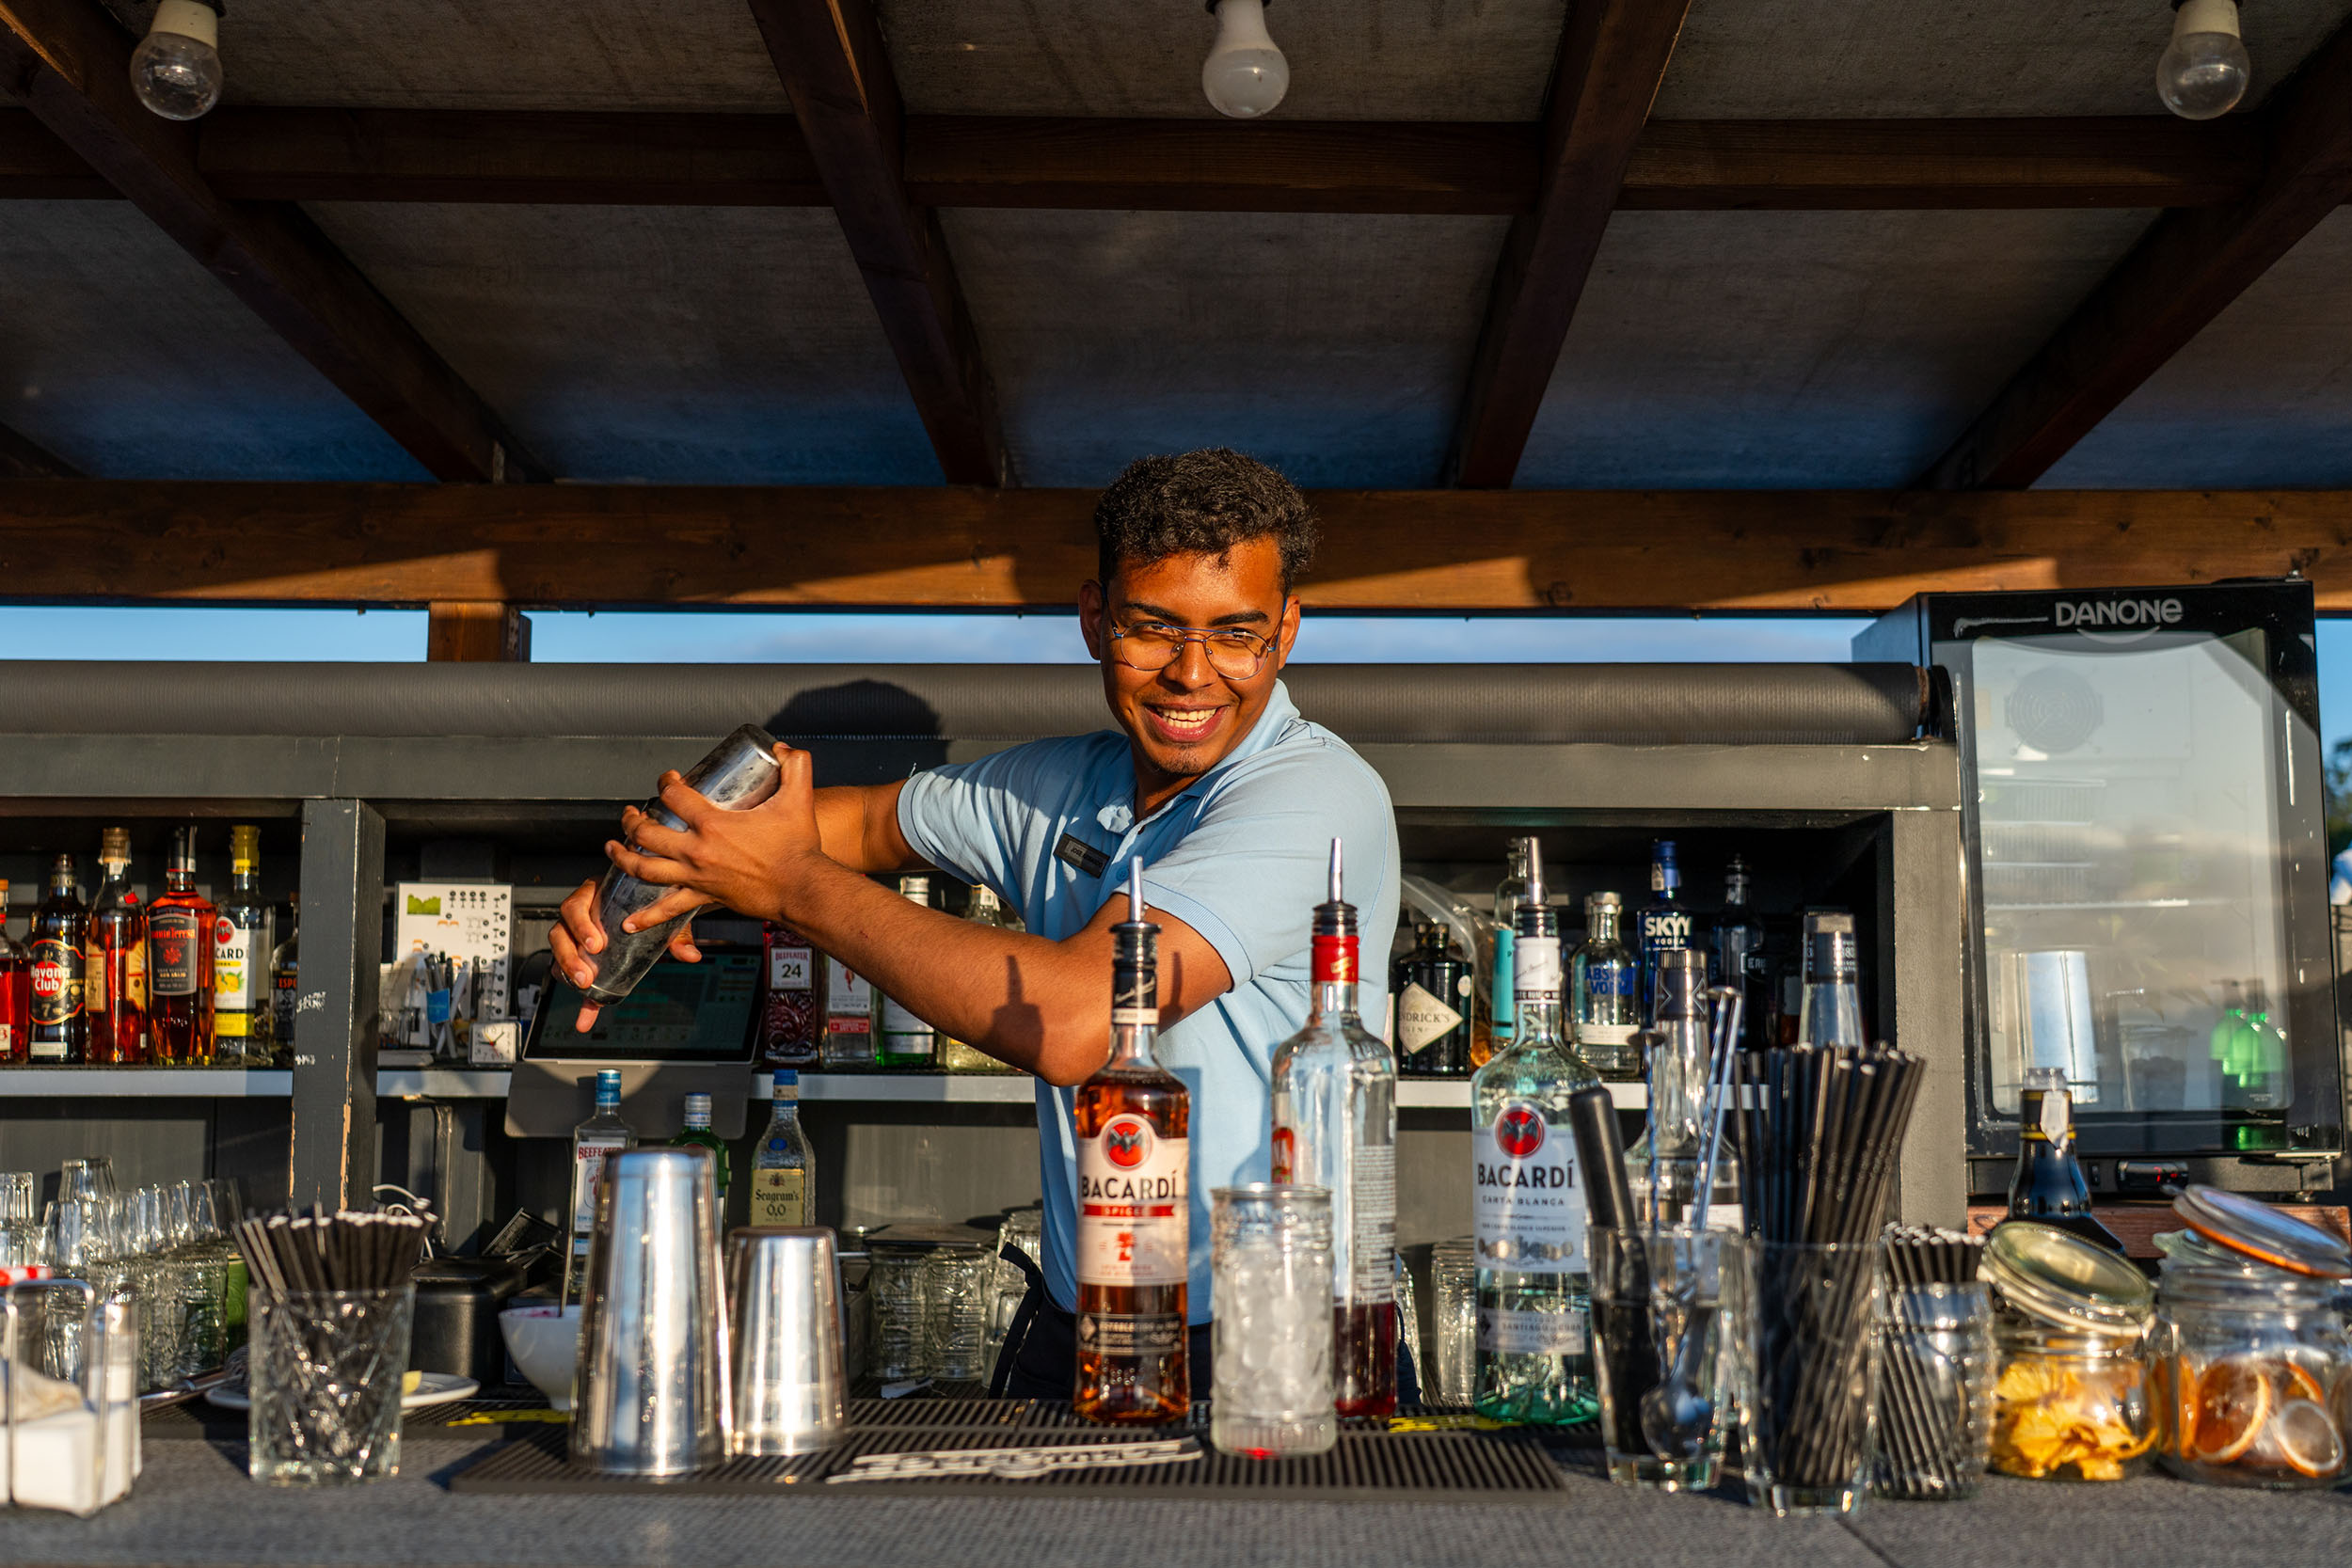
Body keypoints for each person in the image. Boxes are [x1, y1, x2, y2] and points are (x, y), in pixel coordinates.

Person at [548, 448, 1403, 1398]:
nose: (1192, 673)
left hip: (1280, 1338)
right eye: (1152, 629)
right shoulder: (1058, 786)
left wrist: (787, 885)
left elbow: (1078, 1021)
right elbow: (855, 823)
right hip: (1083, 1324)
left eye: (1236, 634)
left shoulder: (1316, 794)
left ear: (1286, 630)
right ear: (1095, 620)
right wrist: (657, 875)